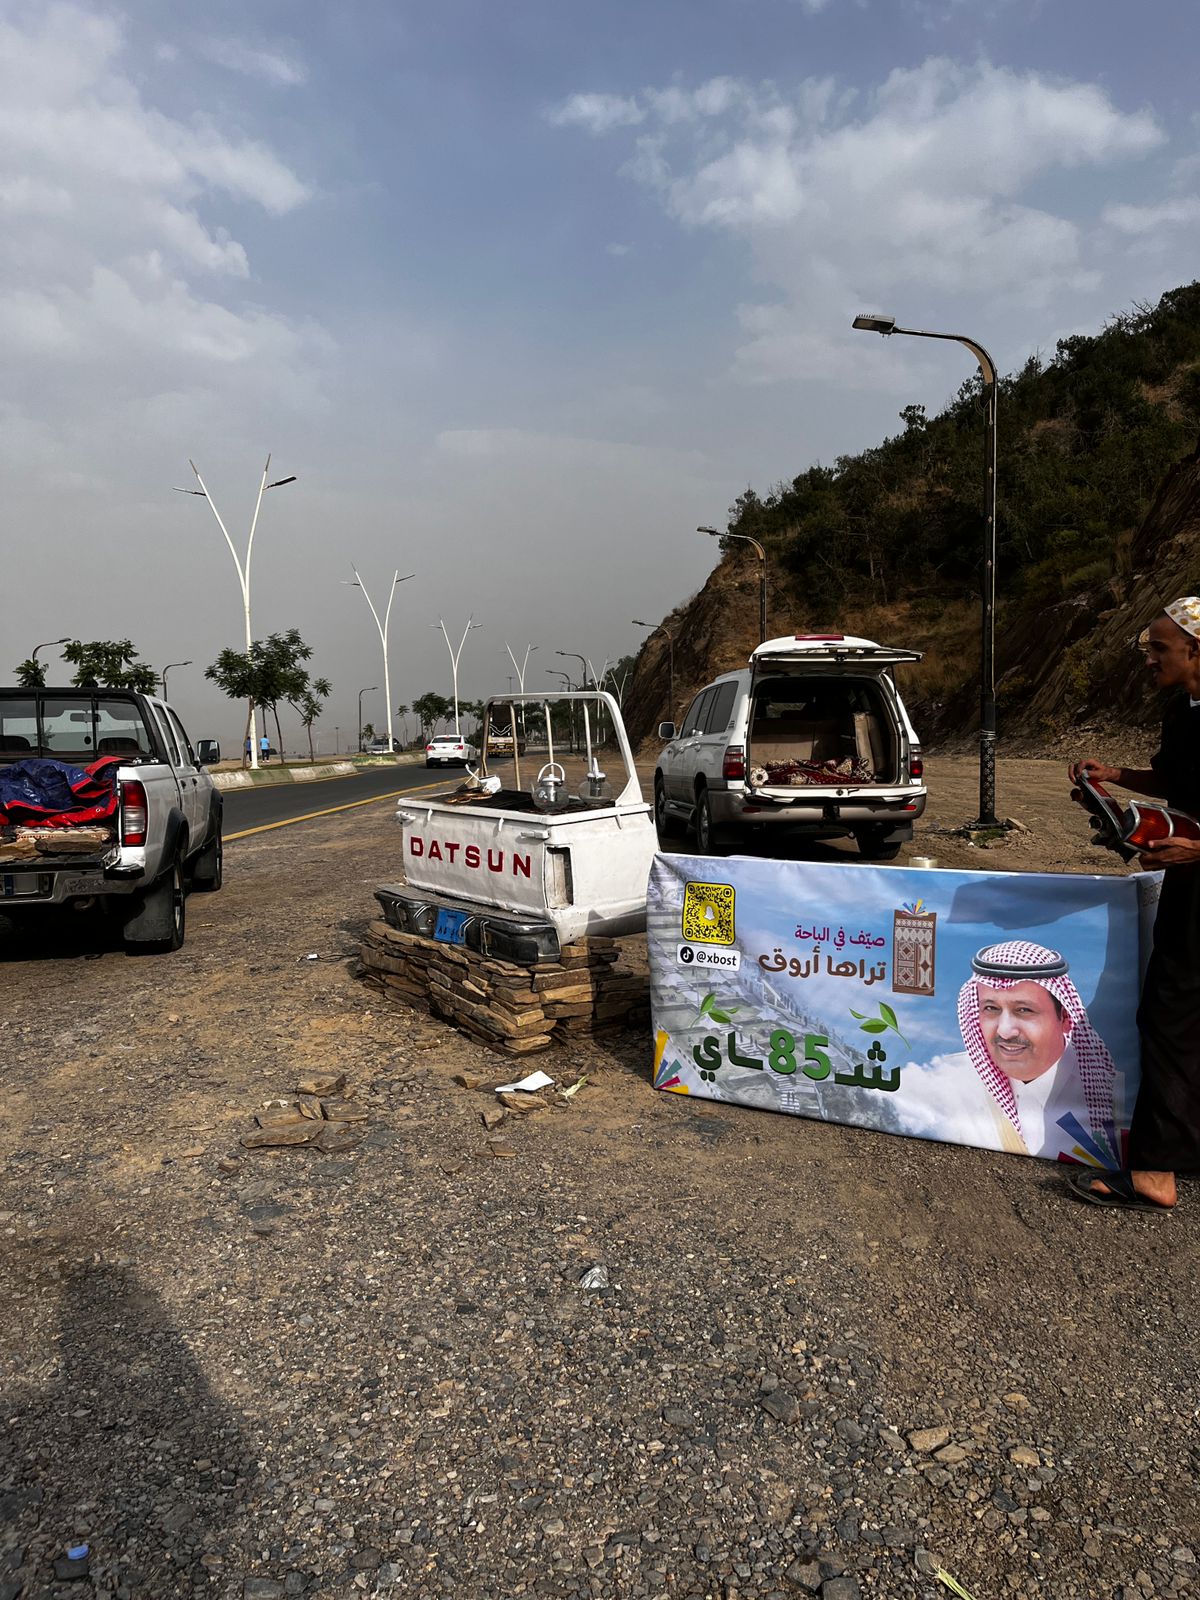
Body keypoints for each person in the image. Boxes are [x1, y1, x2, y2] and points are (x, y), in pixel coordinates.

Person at [1068, 596, 1200, 1211]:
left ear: (1195, 650)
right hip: (1188, 885)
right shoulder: (1183, 711)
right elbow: (1175, 782)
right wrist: (1115, 777)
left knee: (1172, 1020)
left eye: (1159, 649)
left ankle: (1154, 1173)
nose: (1149, 659)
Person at [954, 941, 1119, 1163]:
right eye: (991, 1008)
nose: (1005, 1031)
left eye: (1024, 1010)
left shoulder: (1114, 1093)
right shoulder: (954, 1084)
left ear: (1065, 1018)